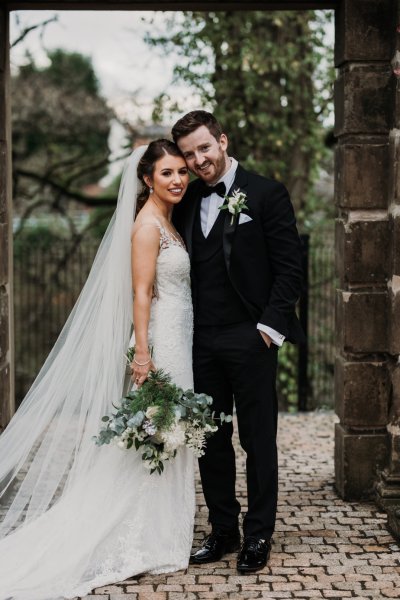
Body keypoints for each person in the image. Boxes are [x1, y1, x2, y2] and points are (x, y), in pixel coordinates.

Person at [0, 140, 196, 599]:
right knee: (157, 432)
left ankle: (161, 528)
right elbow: (141, 294)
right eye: (167, 173)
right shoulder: (147, 227)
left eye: (181, 172)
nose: (178, 180)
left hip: (179, 337)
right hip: (160, 342)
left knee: (171, 433)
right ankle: (142, 533)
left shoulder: (167, 219)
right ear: (147, 179)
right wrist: (144, 354)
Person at [172, 110, 304, 573]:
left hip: (251, 338)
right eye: (189, 155)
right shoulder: (186, 199)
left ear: (223, 141)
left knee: (258, 440)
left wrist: (268, 330)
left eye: (204, 148)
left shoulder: (266, 193)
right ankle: (223, 531)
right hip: (201, 340)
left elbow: (290, 269)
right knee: (211, 439)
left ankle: (259, 534)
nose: (198, 160)